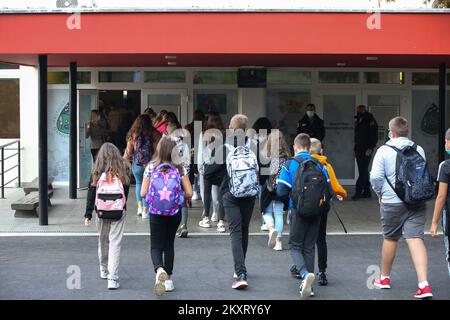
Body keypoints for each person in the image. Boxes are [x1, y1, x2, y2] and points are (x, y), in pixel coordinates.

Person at [370, 116, 433, 299]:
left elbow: (375, 177)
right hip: (416, 201)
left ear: (390, 133)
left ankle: (384, 278)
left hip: (391, 202)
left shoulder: (383, 150)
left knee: (390, 238)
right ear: (406, 131)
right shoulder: (418, 149)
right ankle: (424, 284)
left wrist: (379, 193)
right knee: (415, 238)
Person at [277, 133, 331, 299]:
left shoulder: (289, 165)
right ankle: (309, 286)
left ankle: (304, 273)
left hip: (298, 211)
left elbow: (281, 191)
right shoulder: (321, 165)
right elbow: (328, 192)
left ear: (295, 147)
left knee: (294, 245)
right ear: (309, 147)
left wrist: (291, 201)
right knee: (309, 247)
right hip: (316, 212)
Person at [141, 136, 193, 295]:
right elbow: (190, 193)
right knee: (169, 244)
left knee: (156, 245)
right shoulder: (179, 167)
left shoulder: (151, 167)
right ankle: (168, 280)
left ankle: (159, 270)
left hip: (156, 212)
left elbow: (143, 192)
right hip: (174, 212)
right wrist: (177, 197)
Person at [84, 142, 131, 290]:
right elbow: (126, 192)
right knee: (115, 243)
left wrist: (88, 214)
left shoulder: (97, 171)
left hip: (101, 211)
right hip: (118, 211)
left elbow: (91, 193)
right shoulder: (123, 170)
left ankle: (104, 269)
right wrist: (121, 206)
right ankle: (113, 278)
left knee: (103, 240)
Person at [310, 138, 347, 286]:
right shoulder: (326, 166)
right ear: (322, 151)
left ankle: (304, 269)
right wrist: (342, 194)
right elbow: (335, 186)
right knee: (321, 239)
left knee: (307, 240)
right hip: (322, 206)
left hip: (305, 207)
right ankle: (322, 272)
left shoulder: (302, 164)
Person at [123, 115, 162, 218]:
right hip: (151, 164)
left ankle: (139, 207)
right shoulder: (155, 134)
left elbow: (128, 152)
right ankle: (146, 209)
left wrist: (122, 164)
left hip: (137, 164)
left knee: (139, 183)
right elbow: (158, 151)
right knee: (148, 185)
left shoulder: (133, 134)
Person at [260, 131, 290, 251]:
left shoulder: (266, 156)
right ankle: (279, 242)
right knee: (278, 213)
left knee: (265, 211)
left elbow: (263, 176)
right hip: (281, 188)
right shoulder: (287, 157)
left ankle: (271, 228)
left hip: (268, 188)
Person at [198, 113, 226, 231]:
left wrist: (200, 168)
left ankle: (206, 218)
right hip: (221, 166)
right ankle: (220, 220)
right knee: (220, 194)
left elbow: (201, 151)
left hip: (208, 165)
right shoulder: (225, 133)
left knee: (206, 192)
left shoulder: (204, 134)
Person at [165, 112, 192, 238]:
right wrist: (186, 174)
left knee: (169, 198)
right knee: (183, 200)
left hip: (169, 175)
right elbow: (187, 161)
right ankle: (184, 225)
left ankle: (172, 225)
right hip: (182, 174)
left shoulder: (166, 143)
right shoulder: (184, 144)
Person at [430, 128, 450, 279]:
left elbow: (441, 196)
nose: (445, 144)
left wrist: (434, 222)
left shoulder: (445, 166)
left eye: (445, 141)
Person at [252, 117, 273, 232]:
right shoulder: (271, 138)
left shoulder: (253, 138)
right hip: (269, 169)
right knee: (272, 194)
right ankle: (270, 218)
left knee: (262, 196)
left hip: (259, 169)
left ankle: (264, 220)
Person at [353, 104, 378, 200]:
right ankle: (367, 191)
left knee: (363, 170)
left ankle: (358, 192)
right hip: (359, 148)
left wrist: (370, 148)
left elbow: (373, 136)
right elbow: (358, 137)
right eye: (358, 110)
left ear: (364, 110)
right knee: (362, 170)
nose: (358, 112)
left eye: (360, 110)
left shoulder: (370, 120)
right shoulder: (359, 120)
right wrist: (355, 148)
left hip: (366, 149)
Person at [185, 110, 205, 201]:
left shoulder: (188, 127)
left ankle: (194, 191)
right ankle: (200, 190)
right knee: (198, 170)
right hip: (200, 150)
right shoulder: (204, 127)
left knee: (191, 170)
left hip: (190, 150)